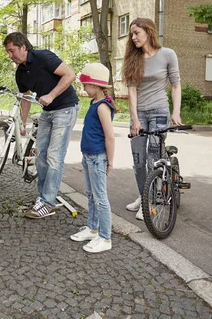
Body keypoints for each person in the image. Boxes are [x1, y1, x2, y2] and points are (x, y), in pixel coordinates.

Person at [3, 32, 79, 219]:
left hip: (66, 108)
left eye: (12, 50)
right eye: (8, 52)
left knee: (54, 157)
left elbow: (70, 75)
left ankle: (48, 202)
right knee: (40, 155)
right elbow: (26, 99)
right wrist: (22, 122)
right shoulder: (20, 72)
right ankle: (44, 197)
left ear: (23, 47)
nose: (10, 55)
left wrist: (51, 95)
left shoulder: (43, 56)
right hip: (47, 112)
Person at [122, 17, 182, 220]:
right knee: (138, 160)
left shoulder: (167, 54)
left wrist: (176, 112)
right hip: (139, 114)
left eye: (136, 33)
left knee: (152, 160)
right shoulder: (133, 58)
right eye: (131, 33)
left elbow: (175, 85)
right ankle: (143, 195)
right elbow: (131, 91)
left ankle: (151, 201)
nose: (133, 37)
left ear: (149, 32)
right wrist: (134, 119)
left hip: (159, 111)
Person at [70, 63, 116, 253]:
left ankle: (105, 238)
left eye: (86, 85)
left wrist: (110, 161)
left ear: (96, 86)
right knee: (91, 195)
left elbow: (110, 136)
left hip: (98, 158)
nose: (84, 89)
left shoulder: (102, 107)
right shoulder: (94, 103)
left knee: (101, 198)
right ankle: (93, 228)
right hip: (88, 157)